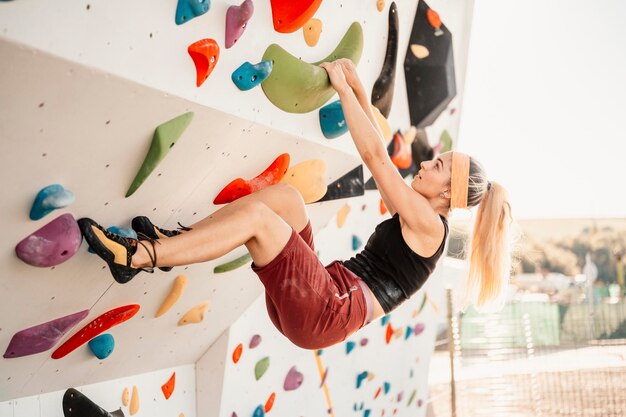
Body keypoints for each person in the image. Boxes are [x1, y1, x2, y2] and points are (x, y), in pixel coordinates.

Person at [79, 59, 513, 349]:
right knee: (286, 200)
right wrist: (359, 92)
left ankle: (138, 256)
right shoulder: (421, 218)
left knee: (260, 221)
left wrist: (342, 89)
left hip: (324, 309)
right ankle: (178, 242)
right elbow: (380, 154)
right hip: (323, 297)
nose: (426, 163)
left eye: (437, 165)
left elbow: (376, 159)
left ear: (446, 195)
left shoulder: (429, 226)